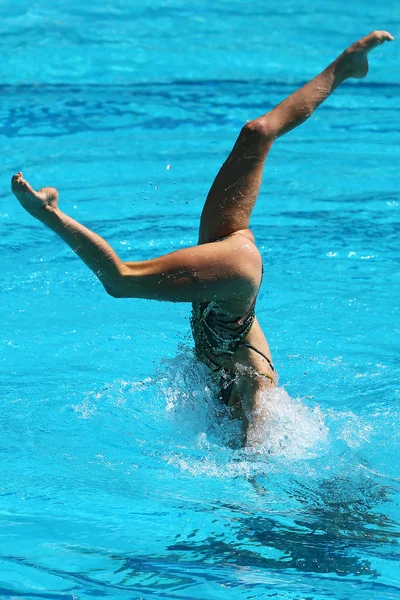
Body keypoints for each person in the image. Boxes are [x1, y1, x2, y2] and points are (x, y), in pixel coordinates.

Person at [11, 31, 393, 444]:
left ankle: (346, 67)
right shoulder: (254, 392)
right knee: (122, 280)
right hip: (233, 272)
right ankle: (346, 66)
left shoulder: (237, 387)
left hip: (234, 274)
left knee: (256, 133)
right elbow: (254, 450)